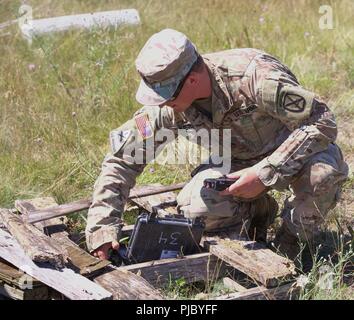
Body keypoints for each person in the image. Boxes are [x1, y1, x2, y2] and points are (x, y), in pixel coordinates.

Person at [85, 28, 348, 262]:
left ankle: (290, 246)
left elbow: (322, 122)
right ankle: (259, 211)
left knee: (320, 179)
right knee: (195, 209)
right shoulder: (169, 107)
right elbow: (123, 159)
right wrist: (102, 228)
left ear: (192, 80)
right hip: (238, 162)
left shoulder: (255, 77)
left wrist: (264, 173)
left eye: (166, 96)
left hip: (297, 152)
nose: (161, 104)